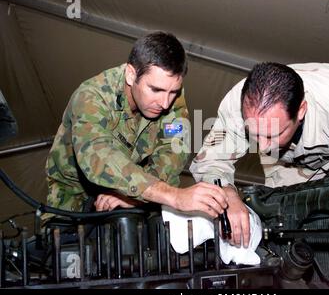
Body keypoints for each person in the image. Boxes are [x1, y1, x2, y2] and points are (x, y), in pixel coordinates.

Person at [190, 62, 329, 248]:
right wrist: (228, 194)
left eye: (272, 134)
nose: (262, 145)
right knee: (284, 226)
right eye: (254, 134)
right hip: (285, 163)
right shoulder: (239, 107)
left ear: (301, 111)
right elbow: (210, 160)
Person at [45, 31, 227, 220]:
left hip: (130, 191)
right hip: (72, 199)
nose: (165, 103)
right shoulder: (92, 96)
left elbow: (174, 149)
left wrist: (136, 196)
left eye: (173, 91)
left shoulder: (170, 93)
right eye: (155, 90)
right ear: (131, 75)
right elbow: (97, 155)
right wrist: (172, 195)